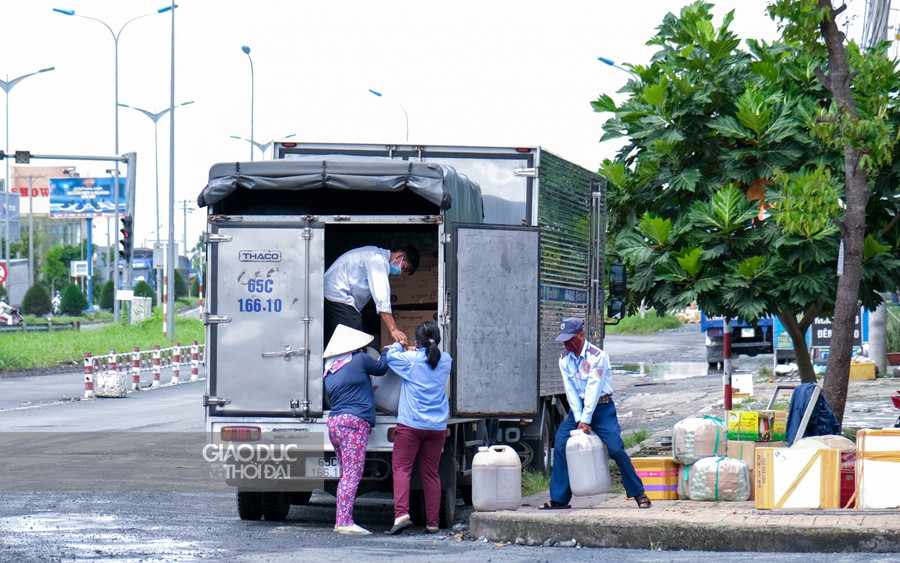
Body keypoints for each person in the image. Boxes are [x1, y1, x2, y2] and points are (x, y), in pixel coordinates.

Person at [540, 317, 651, 510]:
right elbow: (570, 392)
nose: (567, 343)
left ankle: (638, 492)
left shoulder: (597, 356)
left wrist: (586, 419)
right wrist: (579, 418)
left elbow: (593, 389)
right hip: (579, 412)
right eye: (564, 340)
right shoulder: (564, 358)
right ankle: (559, 499)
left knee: (616, 449)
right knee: (560, 446)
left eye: (571, 338)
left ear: (582, 335)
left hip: (602, 409)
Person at [381, 321, 452, 535]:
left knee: (402, 470)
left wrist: (398, 343)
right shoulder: (446, 360)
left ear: (417, 342)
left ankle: (402, 514)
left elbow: (391, 357)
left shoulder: (410, 361)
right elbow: (431, 355)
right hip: (437, 427)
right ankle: (433, 522)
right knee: (431, 474)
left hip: (410, 425)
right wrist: (415, 348)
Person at [323, 324, 390, 535]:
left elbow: (351, 387)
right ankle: (343, 522)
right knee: (351, 475)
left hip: (335, 423)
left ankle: (343, 519)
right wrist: (387, 351)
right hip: (354, 424)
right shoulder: (360, 359)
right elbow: (382, 368)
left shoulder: (330, 369)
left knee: (346, 474)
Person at [323, 245, 419, 346]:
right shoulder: (378, 261)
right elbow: (381, 297)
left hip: (333, 294)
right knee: (355, 339)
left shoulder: (373, 253)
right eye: (403, 268)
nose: (400, 272)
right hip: (337, 294)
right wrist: (394, 329)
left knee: (334, 339)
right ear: (399, 256)